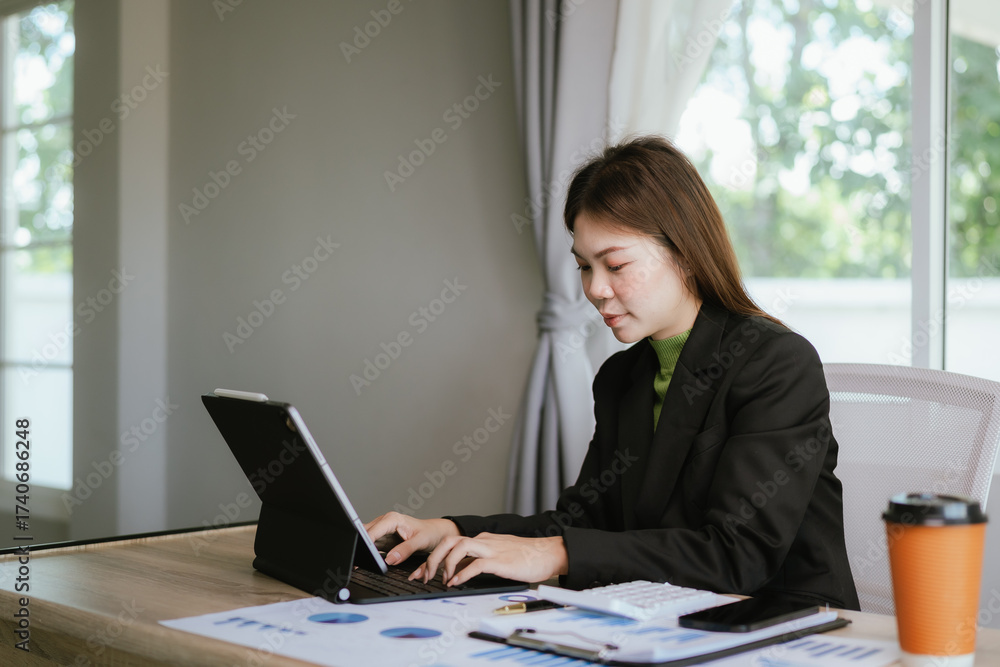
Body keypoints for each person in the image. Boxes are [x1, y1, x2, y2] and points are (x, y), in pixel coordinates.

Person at [365, 135, 860, 610]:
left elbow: (738, 555)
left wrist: (559, 553)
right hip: (666, 619)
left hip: (789, 627)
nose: (595, 289)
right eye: (584, 266)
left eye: (615, 265)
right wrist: (452, 530)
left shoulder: (777, 363)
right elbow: (582, 521)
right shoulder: (621, 376)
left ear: (685, 254)